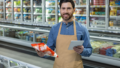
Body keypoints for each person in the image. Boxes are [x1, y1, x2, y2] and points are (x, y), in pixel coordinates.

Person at [36, 0, 92, 68]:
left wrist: (83, 50)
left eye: (68, 8)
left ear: (74, 10)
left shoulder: (82, 29)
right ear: (60, 10)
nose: (65, 11)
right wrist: (42, 54)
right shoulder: (54, 29)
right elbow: (50, 50)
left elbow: (89, 51)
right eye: (63, 8)